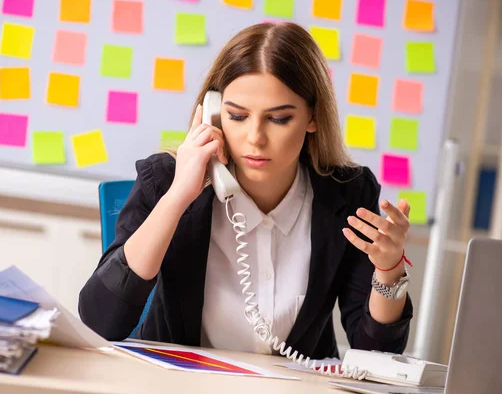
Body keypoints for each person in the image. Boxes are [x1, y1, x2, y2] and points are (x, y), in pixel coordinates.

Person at [79, 21, 413, 360]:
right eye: (237, 116)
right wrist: (178, 196)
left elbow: (375, 353)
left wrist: (389, 271)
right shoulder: (165, 179)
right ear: (212, 113)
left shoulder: (348, 193)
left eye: (279, 119)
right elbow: (101, 323)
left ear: (313, 116)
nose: (255, 138)